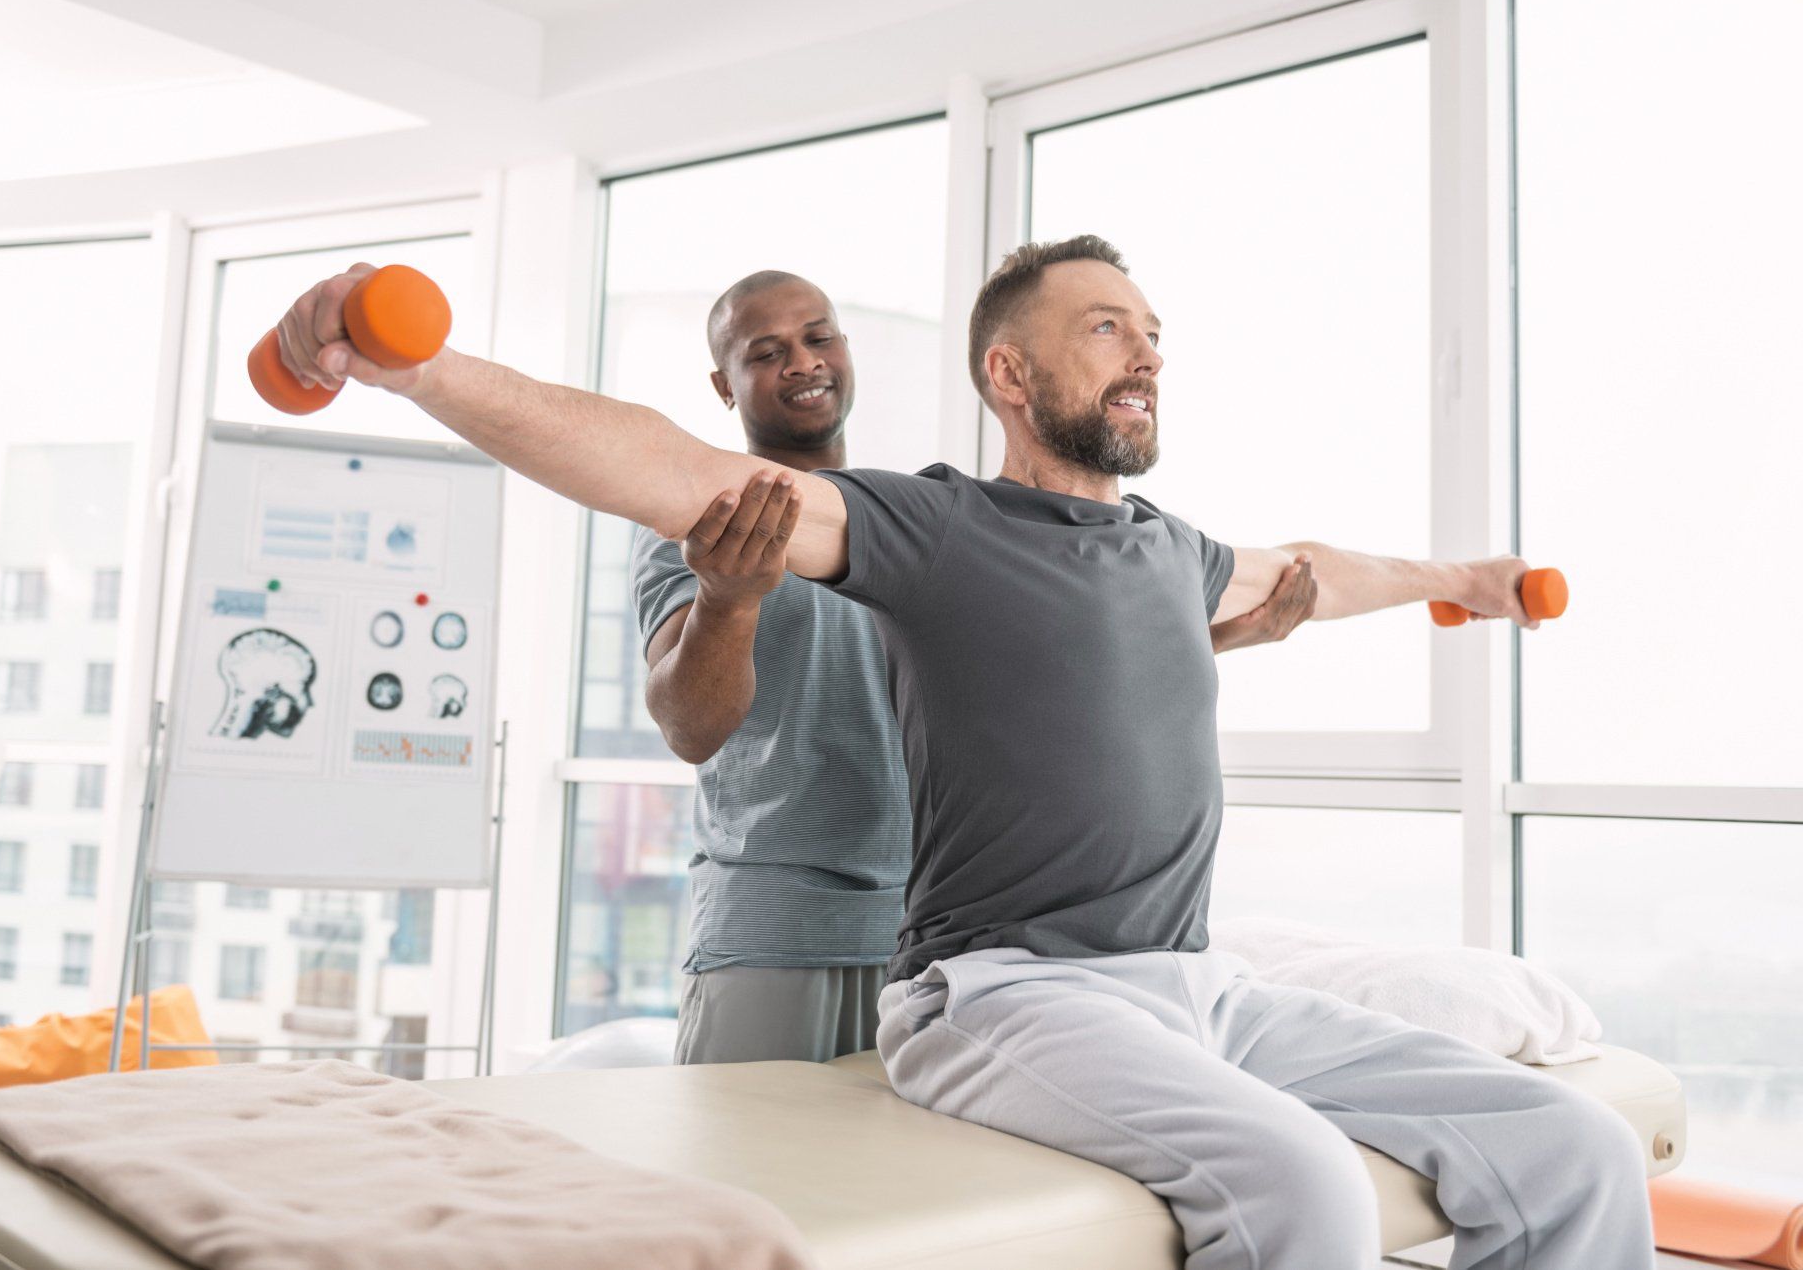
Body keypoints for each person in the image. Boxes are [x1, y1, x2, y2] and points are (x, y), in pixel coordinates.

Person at [269, 236, 1650, 1269]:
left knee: (1574, 1145)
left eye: (1152, 332)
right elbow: (666, 469)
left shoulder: (1170, 553)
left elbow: (1315, 568)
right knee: (1305, 1182)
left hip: (1195, 984)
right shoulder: (936, 528)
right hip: (1001, 990)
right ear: (1010, 373)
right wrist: (412, 362)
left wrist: (1462, 579)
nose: (1145, 353)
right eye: (1106, 328)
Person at [634, 270, 1317, 1064]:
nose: (803, 362)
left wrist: (1213, 641)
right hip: (775, 932)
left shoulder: (915, 522)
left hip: (943, 947)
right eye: (767, 352)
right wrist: (728, 599)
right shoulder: (698, 526)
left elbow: (1025, 681)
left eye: (819, 338)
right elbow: (690, 726)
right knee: (749, 1148)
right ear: (725, 385)